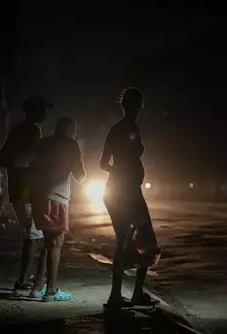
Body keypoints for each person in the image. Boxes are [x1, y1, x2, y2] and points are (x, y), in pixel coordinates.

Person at [100, 87, 161, 308]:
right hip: (126, 192)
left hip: (120, 191)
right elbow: (105, 163)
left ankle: (119, 295)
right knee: (143, 240)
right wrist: (122, 172)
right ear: (131, 106)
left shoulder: (120, 129)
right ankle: (130, 294)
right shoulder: (124, 129)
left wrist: (120, 171)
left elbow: (103, 163)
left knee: (127, 241)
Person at [28, 117, 86, 302]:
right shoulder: (71, 145)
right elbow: (80, 175)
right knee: (57, 243)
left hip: (38, 195)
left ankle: (38, 287)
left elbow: (31, 164)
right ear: (71, 131)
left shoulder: (43, 143)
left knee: (47, 241)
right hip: (57, 197)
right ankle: (51, 290)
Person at [0, 96, 52, 291]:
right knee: (34, 237)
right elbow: (23, 160)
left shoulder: (16, 131)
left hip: (18, 190)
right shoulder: (33, 131)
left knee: (33, 236)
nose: (46, 114)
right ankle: (22, 280)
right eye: (44, 110)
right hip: (26, 191)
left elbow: (3, 159)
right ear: (35, 111)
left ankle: (25, 278)